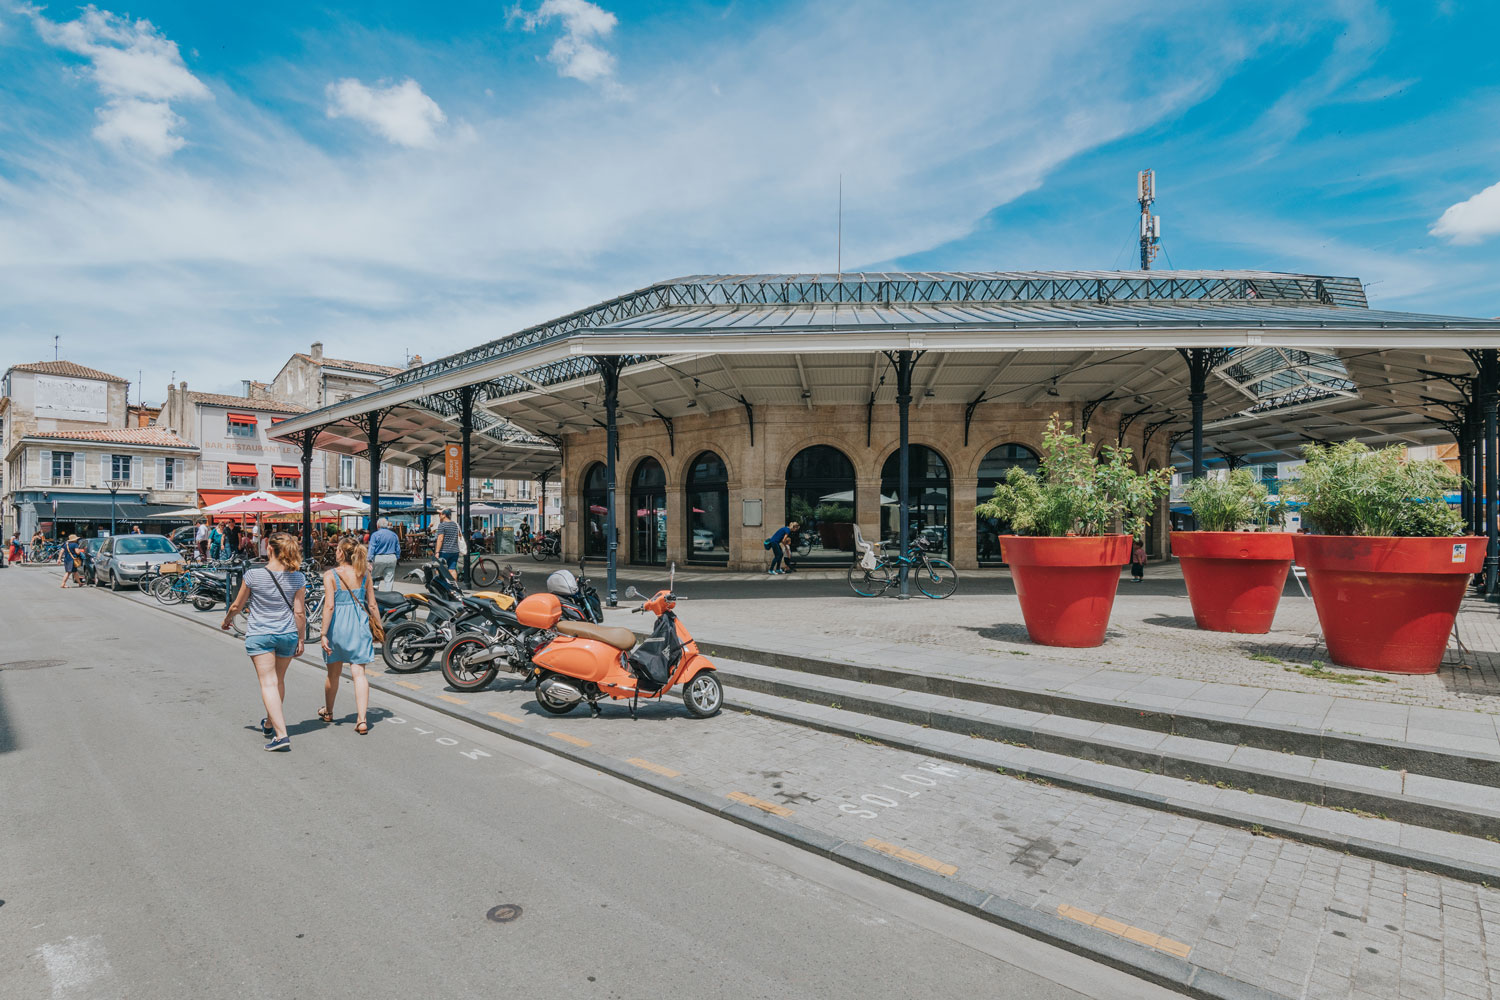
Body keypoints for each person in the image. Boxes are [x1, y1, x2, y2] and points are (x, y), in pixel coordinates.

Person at [222, 532, 307, 752]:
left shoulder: (252, 575)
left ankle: (281, 735)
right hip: (287, 633)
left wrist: (227, 620)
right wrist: (301, 638)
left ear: (269, 549)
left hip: (260, 634)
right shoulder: (298, 577)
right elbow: (299, 613)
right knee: (278, 681)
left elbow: (237, 606)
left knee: (268, 683)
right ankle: (270, 723)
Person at [318, 536, 381, 735]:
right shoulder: (364, 573)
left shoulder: (331, 575)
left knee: (333, 674)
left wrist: (323, 633)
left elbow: (329, 606)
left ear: (340, 553)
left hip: (337, 627)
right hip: (358, 626)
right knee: (359, 674)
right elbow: (372, 605)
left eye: (337, 549)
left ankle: (328, 711)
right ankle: (362, 720)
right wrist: (379, 627)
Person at [367, 517, 400, 591]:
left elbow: (372, 548)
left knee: (375, 577)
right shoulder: (394, 535)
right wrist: (397, 557)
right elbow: (398, 548)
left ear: (378, 526)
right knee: (389, 579)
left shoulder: (375, 535)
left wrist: (369, 560)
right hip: (392, 557)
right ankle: (388, 596)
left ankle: (375, 595)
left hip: (379, 558)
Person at [434, 508, 461, 576]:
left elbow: (440, 539)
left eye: (440, 514)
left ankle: (440, 585)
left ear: (444, 515)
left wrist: (437, 552)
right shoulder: (455, 524)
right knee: (452, 569)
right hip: (455, 551)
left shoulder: (442, 525)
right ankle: (453, 586)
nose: (439, 515)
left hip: (444, 551)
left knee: (438, 568)